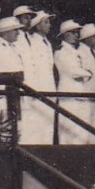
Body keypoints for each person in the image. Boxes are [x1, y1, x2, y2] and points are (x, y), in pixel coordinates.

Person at [18, 10, 58, 145]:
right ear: (38, 25)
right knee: (35, 127)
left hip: (49, 88)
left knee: (48, 126)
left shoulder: (47, 42)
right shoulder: (32, 42)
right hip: (37, 89)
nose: (49, 25)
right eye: (46, 22)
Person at [53, 20, 95, 144]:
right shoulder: (61, 51)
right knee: (68, 130)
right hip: (69, 95)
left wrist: (85, 73)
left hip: (80, 93)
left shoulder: (75, 51)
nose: (76, 35)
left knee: (81, 131)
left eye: (77, 33)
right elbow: (73, 72)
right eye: (72, 32)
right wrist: (87, 73)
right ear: (64, 34)